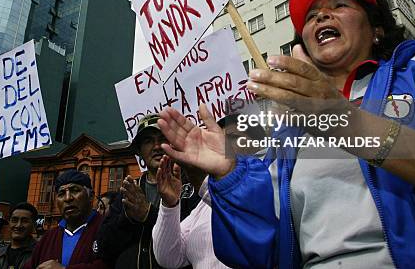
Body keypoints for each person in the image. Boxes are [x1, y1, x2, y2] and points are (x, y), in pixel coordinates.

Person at [157, 0, 415, 268]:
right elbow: (264, 250)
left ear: (377, 28)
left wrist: (346, 122)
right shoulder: (287, 131)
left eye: (340, 4)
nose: (322, 15)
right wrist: (231, 176)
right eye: (311, 15)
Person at [151, 113, 265, 269]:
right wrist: (169, 205)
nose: (222, 147)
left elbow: (254, 230)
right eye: (217, 140)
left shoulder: (274, 186)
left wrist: (201, 182)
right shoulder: (202, 205)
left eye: (232, 138)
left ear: (258, 145)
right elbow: (169, 258)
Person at [96, 114, 199, 269]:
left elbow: (196, 239)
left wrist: (148, 214)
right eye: (148, 141)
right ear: (139, 151)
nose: (156, 146)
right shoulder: (128, 192)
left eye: (163, 138)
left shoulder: (192, 188)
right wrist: (127, 218)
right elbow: (103, 249)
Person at [24, 170, 106, 269]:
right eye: (61, 193)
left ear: (91, 196)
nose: (67, 198)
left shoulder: (107, 228)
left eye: (75, 190)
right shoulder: (49, 237)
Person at [0, 203, 37, 269]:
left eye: (25, 221)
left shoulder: (39, 253)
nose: (18, 225)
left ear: (34, 225)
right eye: (14, 220)